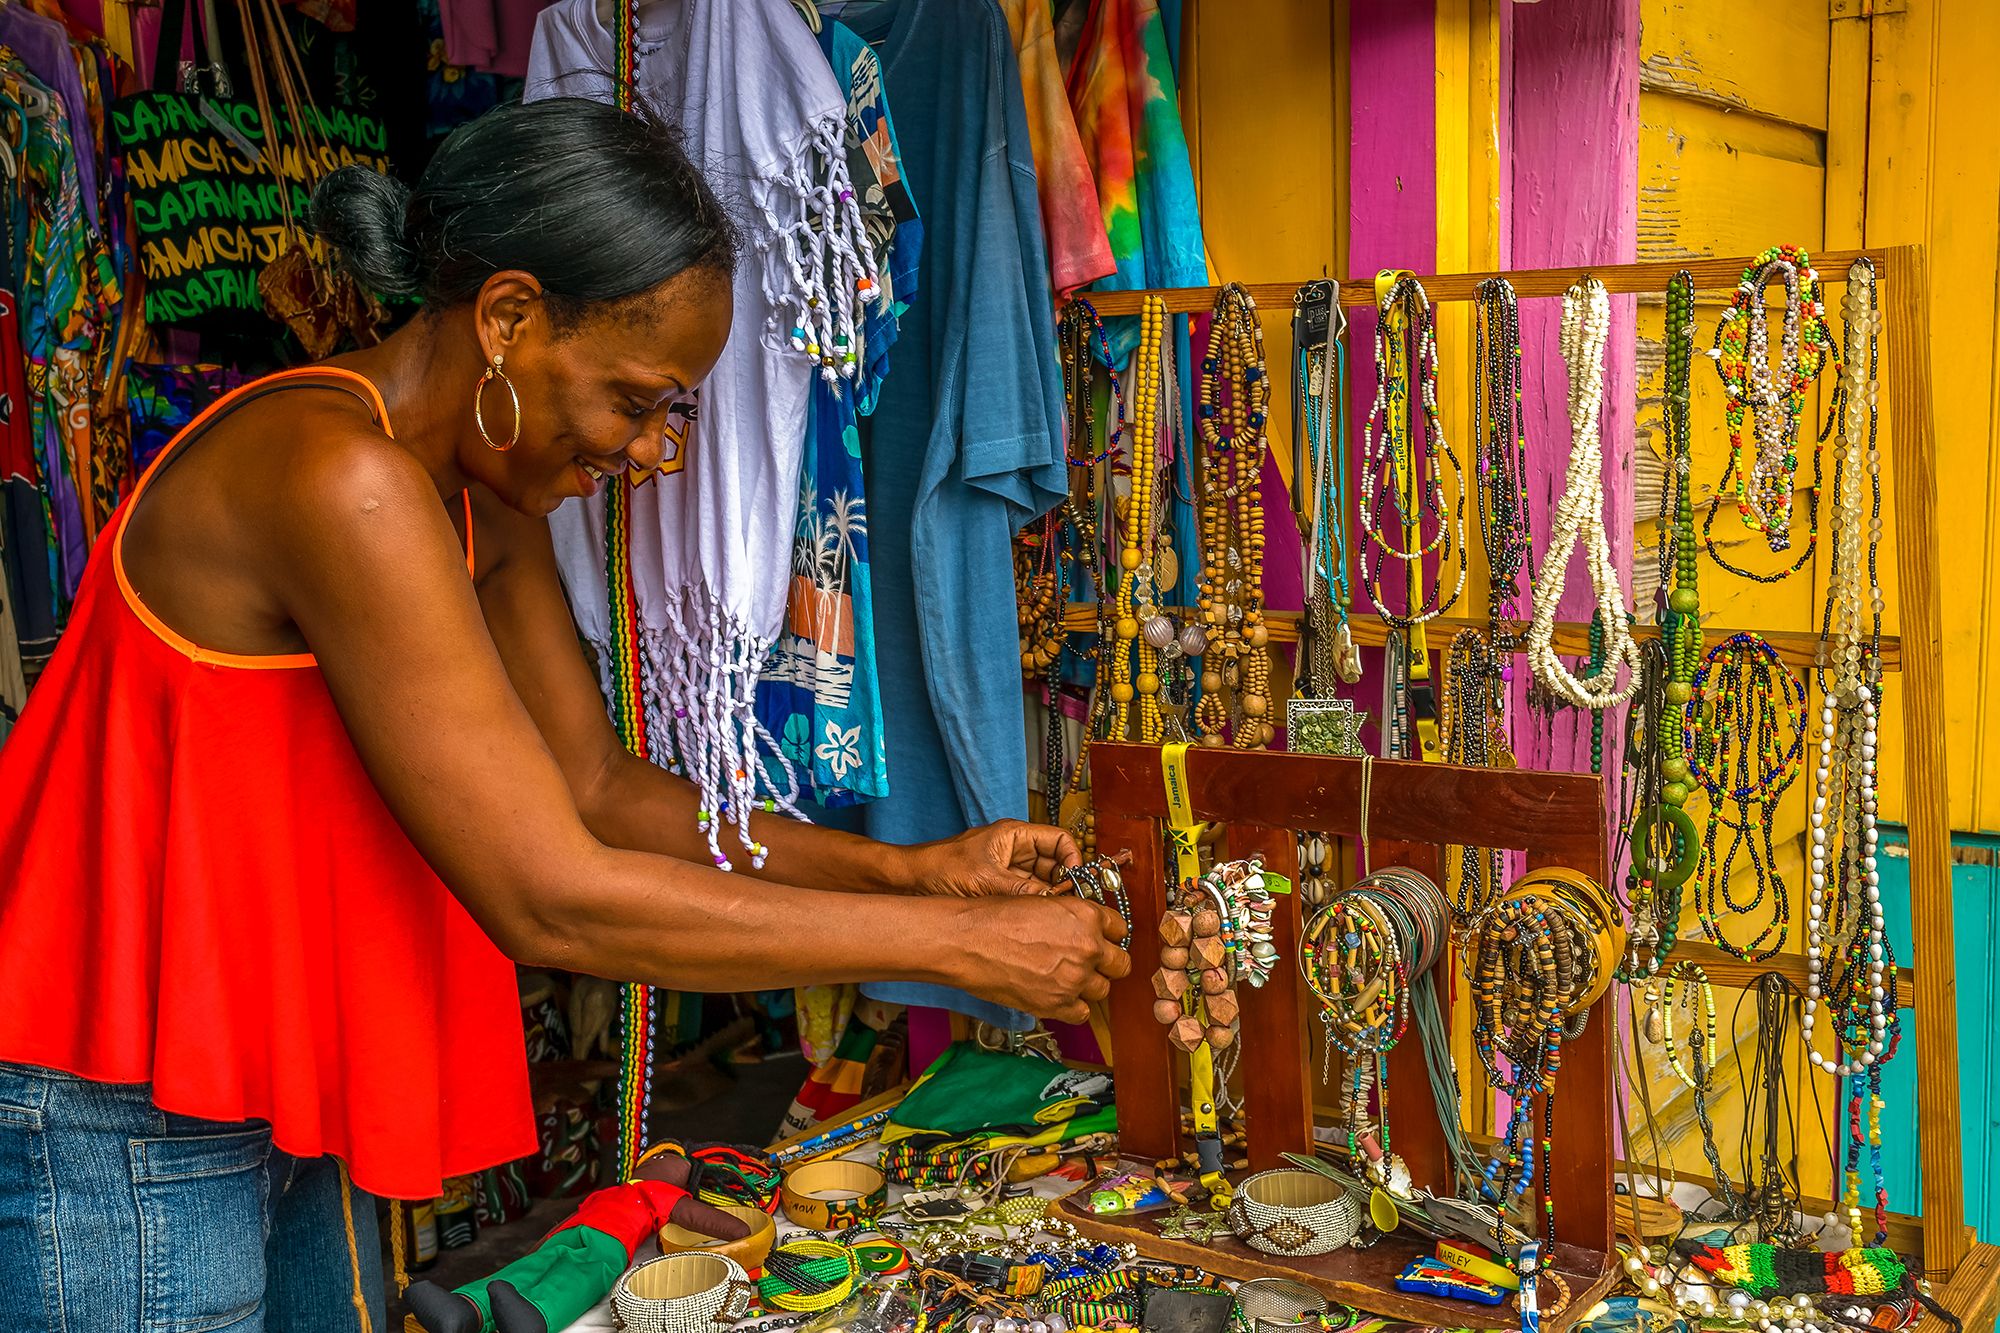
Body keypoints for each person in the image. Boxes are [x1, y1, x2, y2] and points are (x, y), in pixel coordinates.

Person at [0, 98, 1129, 1332]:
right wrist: (949, 950)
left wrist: (908, 872)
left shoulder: (477, 503)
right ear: (507, 319)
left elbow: (597, 790)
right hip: (115, 1103)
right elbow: (552, 893)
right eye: (634, 399)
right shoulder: (343, 478)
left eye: (673, 413)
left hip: (255, 1082)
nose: (651, 451)